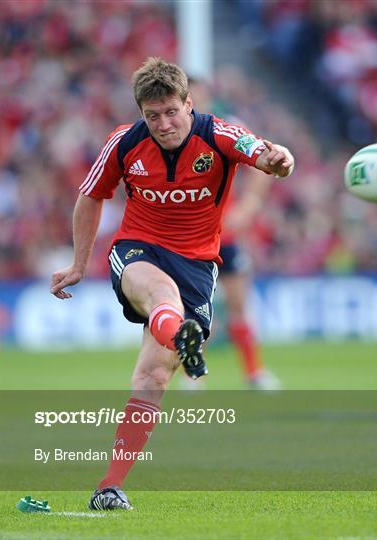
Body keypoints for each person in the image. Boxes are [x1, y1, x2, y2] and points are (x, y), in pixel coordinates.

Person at [50, 57, 294, 511]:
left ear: (189, 103)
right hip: (139, 250)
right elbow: (91, 197)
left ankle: (108, 487)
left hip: (198, 266)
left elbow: (268, 155)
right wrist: (80, 264)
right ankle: (181, 335)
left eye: (171, 112)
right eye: (152, 115)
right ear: (141, 113)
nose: (163, 124)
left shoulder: (218, 133)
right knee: (163, 297)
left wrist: (280, 160)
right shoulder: (123, 143)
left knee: (152, 377)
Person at [188, 77, 281, 390]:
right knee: (193, 309)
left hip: (224, 233)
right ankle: (193, 375)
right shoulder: (170, 133)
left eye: (198, 94)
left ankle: (254, 373)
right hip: (187, 236)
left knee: (239, 304)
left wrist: (250, 206)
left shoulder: (226, 127)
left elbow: (262, 162)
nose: (194, 101)